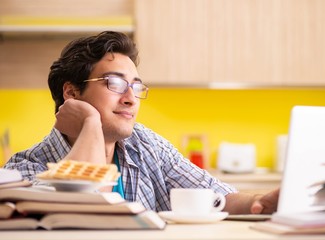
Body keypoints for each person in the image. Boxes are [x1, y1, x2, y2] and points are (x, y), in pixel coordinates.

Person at [4, 31, 279, 214]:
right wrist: (90, 125)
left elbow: (216, 197)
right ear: (72, 93)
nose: (131, 99)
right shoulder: (21, 171)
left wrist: (260, 202)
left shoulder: (144, 144)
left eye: (135, 87)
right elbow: (83, 217)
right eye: (115, 83)